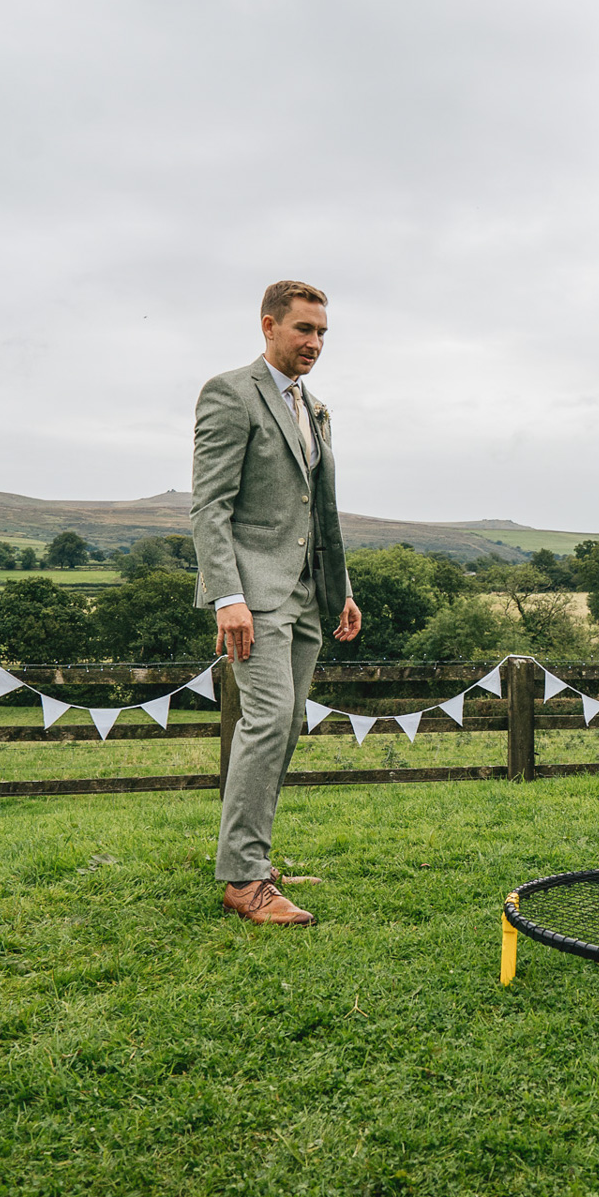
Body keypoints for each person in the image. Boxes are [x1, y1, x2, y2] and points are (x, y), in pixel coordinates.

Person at [192, 281, 360, 926]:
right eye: (303, 330)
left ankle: (253, 857)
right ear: (269, 326)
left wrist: (340, 589)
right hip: (253, 595)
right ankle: (242, 881)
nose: (314, 343)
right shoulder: (230, 393)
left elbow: (318, 513)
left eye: (322, 333)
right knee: (267, 720)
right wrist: (227, 598)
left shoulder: (314, 408)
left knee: (287, 724)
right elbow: (210, 506)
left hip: (309, 595)